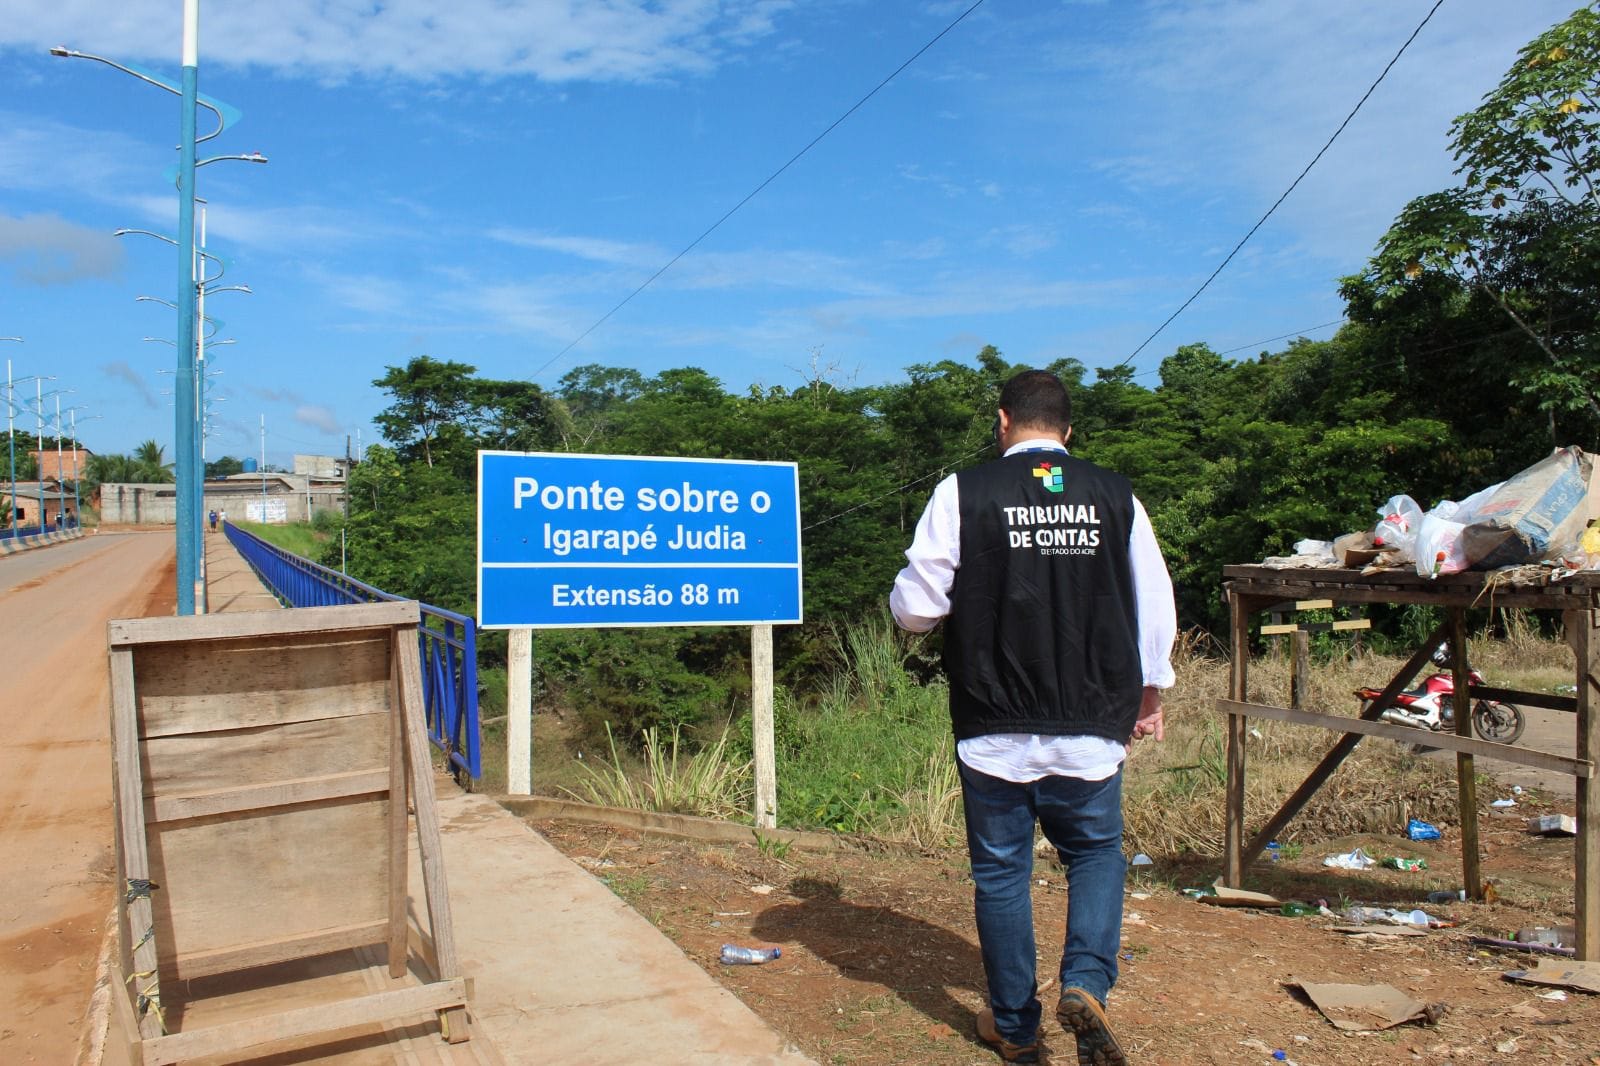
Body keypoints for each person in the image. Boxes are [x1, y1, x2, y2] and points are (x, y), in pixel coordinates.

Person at [890, 369, 1176, 1065]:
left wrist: (911, 604)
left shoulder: (963, 492)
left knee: (1000, 872)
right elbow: (1154, 599)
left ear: (1003, 421)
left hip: (994, 720)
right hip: (1089, 716)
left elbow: (917, 611)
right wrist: (1151, 690)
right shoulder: (1116, 494)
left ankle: (1017, 1028)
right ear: (1068, 431)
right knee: (1095, 855)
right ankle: (1084, 983)